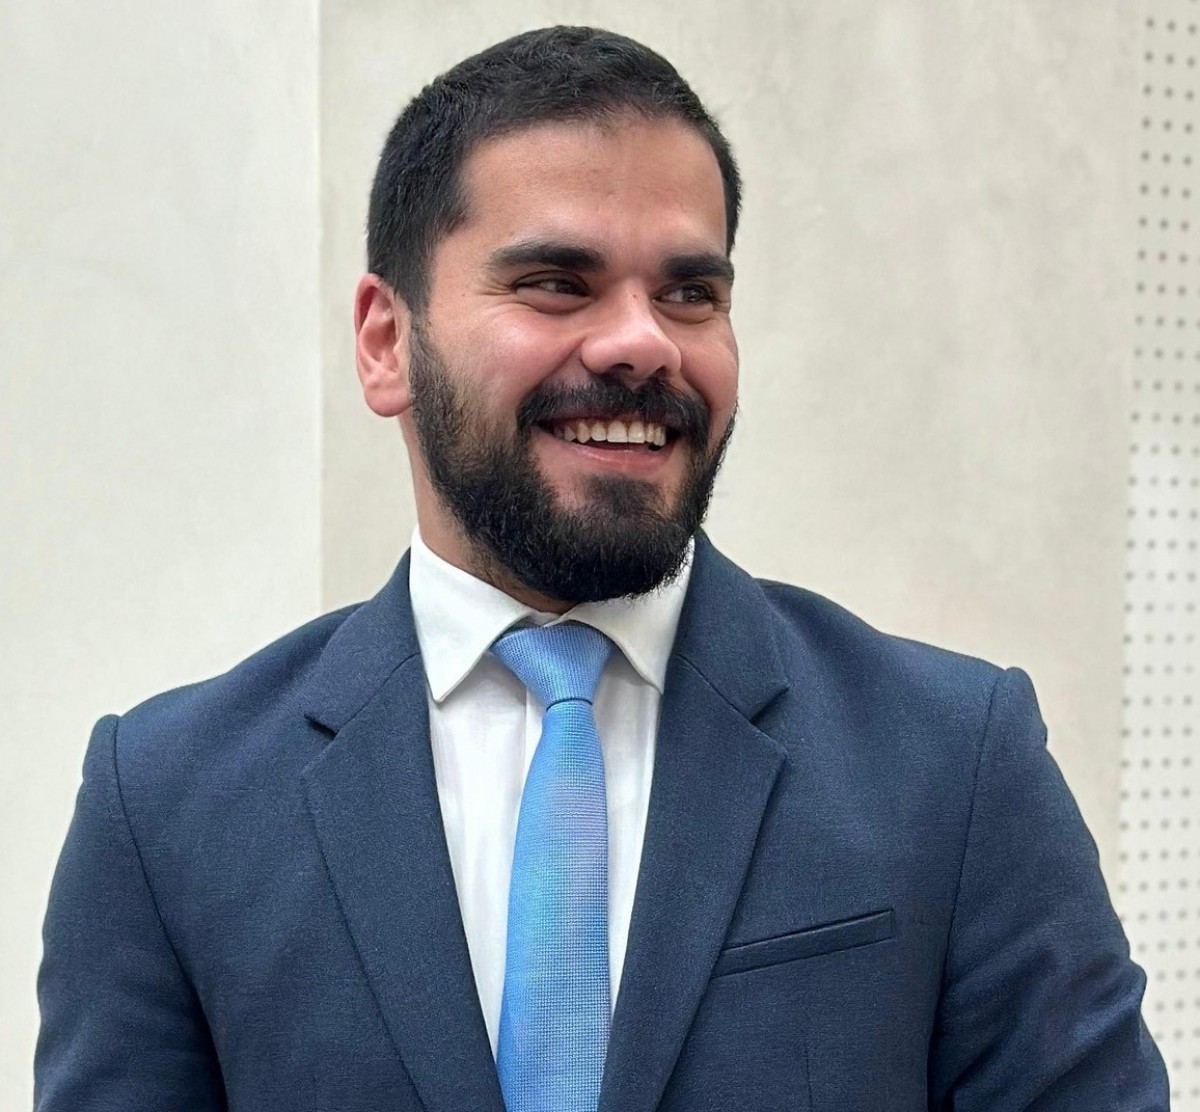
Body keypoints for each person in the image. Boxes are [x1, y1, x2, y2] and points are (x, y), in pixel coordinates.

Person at [35, 25, 1168, 1112]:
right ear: (387, 342)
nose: (642, 341)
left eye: (690, 293)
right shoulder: (169, 804)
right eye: (556, 282)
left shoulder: (952, 761)